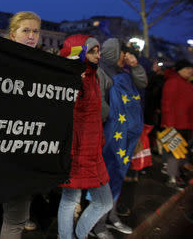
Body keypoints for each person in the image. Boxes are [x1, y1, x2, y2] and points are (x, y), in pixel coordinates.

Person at [57, 34, 113, 239]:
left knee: (104, 202)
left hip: (92, 148)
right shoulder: (74, 77)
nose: (98, 55)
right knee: (70, 198)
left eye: (98, 50)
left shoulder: (94, 75)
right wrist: (70, 80)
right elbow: (63, 111)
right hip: (76, 149)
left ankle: (79, 235)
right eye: (92, 51)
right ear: (79, 53)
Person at [91, 38, 147, 239]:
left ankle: (112, 216)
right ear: (115, 53)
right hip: (106, 136)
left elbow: (142, 83)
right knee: (103, 180)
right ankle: (97, 225)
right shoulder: (99, 72)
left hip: (124, 137)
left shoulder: (125, 73)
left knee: (117, 176)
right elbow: (97, 106)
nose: (126, 57)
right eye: (123, 54)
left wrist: (136, 66)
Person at [0, 11, 41, 239]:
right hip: (9, 149)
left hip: (30, 147)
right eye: (26, 30)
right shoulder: (2, 61)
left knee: (17, 212)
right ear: (12, 34)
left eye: (35, 31)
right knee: (14, 219)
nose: (31, 35)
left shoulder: (42, 64)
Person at [161, 59, 193, 190]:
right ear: (181, 70)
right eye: (188, 69)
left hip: (186, 124)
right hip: (175, 124)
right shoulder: (173, 83)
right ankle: (172, 178)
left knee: (182, 152)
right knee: (174, 153)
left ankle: (177, 174)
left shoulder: (188, 84)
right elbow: (167, 104)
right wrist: (169, 124)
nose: (191, 71)